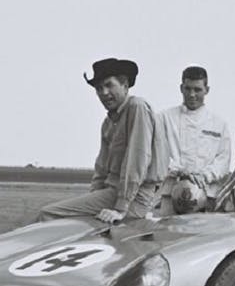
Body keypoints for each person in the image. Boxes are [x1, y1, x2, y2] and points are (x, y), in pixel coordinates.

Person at [39, 58, 168, 223]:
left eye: (109, 85)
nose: (104, 93)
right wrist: (93, 197)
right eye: (99, 88)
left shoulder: (137, 107)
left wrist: (120, 208)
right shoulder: (108, 123)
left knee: (48, 213)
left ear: (125, 85)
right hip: (111, 194)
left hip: (134, 197)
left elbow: (137, 161)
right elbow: (101, 169)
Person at [156, 66, 230, 215]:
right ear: (181, 88)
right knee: (169, 230)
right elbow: (157, 154)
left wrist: (204, 176)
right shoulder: (164, 118)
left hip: (207, 194)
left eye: (197, 90)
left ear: (206, 90)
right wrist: (180, 170)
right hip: (171, 195)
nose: (192, 94)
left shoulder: (218, 124)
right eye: (188, 89)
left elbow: (223, 160)